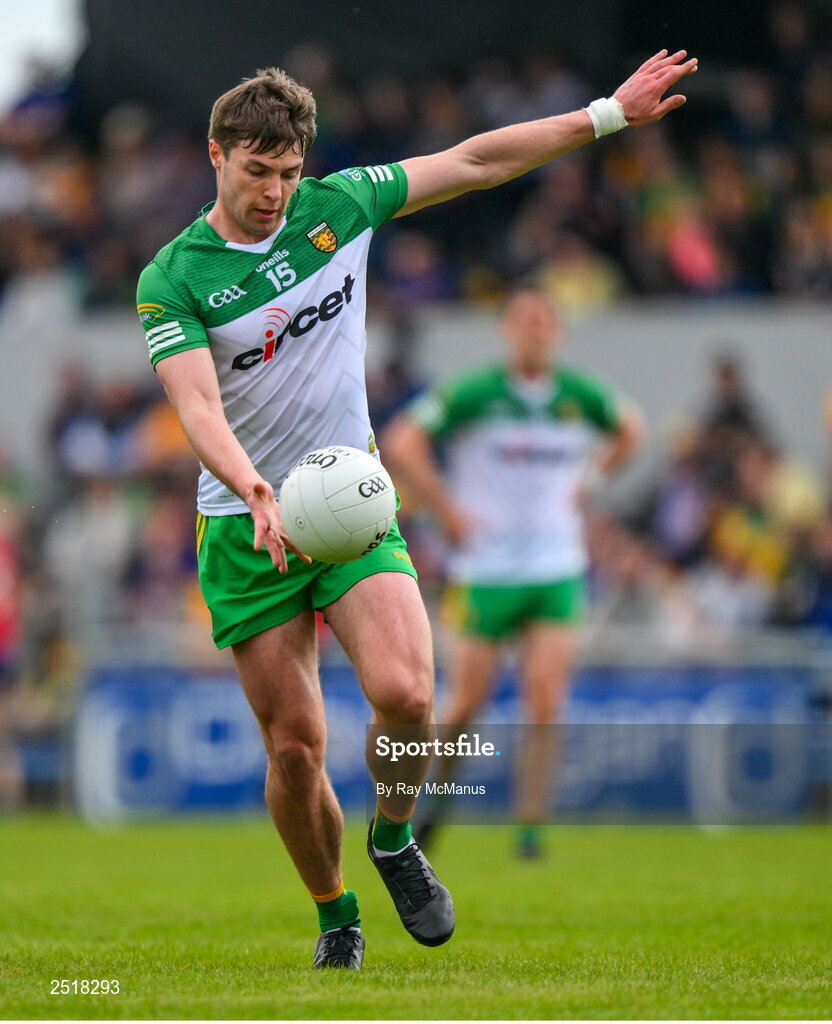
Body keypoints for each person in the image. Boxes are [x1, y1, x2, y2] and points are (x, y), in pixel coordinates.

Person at [135, 51, 697, 970]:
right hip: (247, 524)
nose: (275, 192)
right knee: (296, 750)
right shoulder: (174, 276)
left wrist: (604, 116)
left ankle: (393, 838)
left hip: (346, 498)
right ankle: (334, 915)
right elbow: (196, 406)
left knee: (409, 694)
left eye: (287, 172)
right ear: (216, 156)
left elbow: (476, 160)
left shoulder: (340, 206)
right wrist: (251, 487)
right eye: (256, 171)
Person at [383, 288, 643, 856]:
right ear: (507, 330)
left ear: (559, 332)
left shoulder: (580, 394)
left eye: (546, 320)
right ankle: (436, 804)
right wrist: (446, 508)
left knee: (546, 701)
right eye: (526, 320)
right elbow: (404, 438)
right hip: (486, 569)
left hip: (556, 567)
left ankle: (530, 830)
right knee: (463, 705)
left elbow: (632, 430)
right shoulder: (475, 392)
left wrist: (592, 481)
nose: (536, 329)